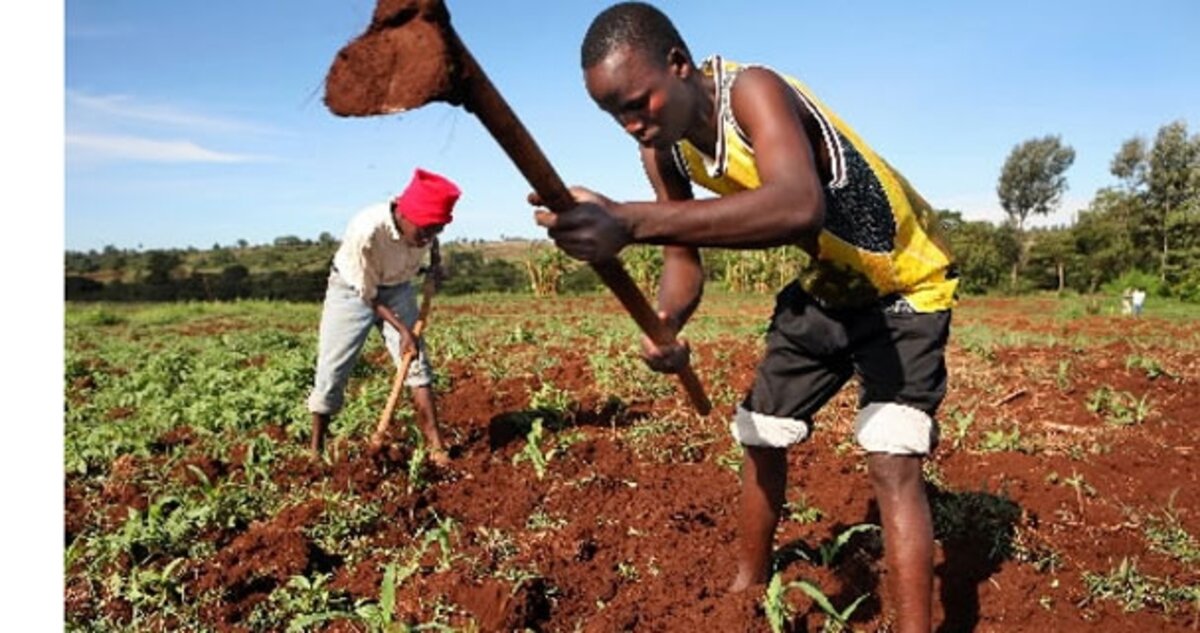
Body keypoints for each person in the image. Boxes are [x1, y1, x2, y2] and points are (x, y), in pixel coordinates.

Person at [532, 3, 958, 630]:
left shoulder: (753, 90)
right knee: (759, 431)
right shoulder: (666, 153)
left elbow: (797, 206)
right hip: (829, 287)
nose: (630, 125)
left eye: (637, 103)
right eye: (613, 114)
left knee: (892, 458)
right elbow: (683, 258)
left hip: (904, 283)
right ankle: (746, 590)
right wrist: (667, 320)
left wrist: (626, 221)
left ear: (678, 64)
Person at [307, 168, 461, 466]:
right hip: (352, 291)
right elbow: (368, 294)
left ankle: (437, 447)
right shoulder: (367, 231)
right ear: (404, 214)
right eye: (425, 230)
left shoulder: (426, 231)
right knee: (332, 369)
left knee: (416, 363)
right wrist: (403, 330)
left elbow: (432, 241)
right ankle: (316, 450)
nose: (428, 237)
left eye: (437, 229)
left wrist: (435, 265)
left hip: (398, 287)